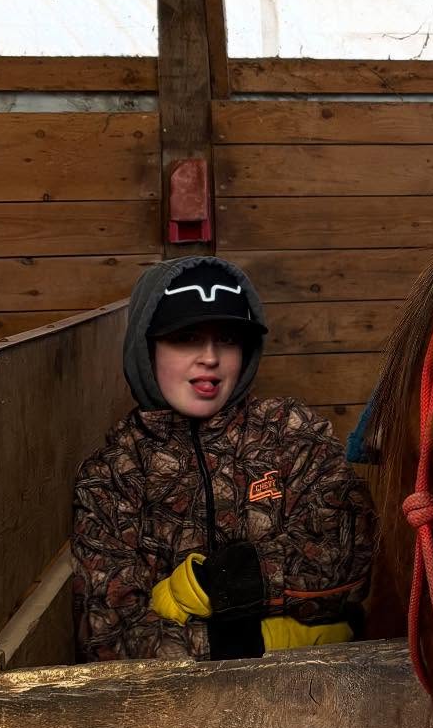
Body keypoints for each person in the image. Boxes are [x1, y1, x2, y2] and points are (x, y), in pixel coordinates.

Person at [72, 256, 375, 661]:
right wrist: (266, 640)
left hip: (313, 699)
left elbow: (350, 558)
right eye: (186, 337)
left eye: (228, 338)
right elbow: (111, 635)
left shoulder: (290, 432)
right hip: (173, 717)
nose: (210, 358)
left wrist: (213, 583)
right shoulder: (113, 473)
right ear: (146, 346)